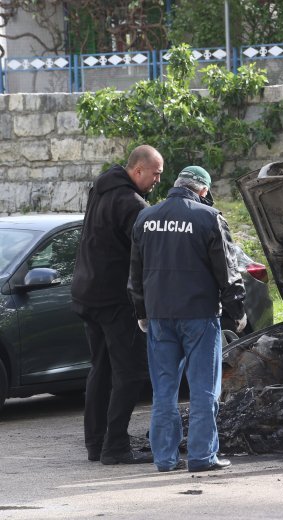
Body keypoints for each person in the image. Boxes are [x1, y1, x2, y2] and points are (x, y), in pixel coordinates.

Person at [128, 166, 247, 473]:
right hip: (199, 315)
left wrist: (142, 312)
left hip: (159, 317)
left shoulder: (146, 217)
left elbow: (136, 273)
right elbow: (227, 269)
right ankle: (202, 456)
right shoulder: (208, 218)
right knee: (204, 388)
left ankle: (165, 459)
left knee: (164, 390)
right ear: (203, 191)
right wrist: (238, 311)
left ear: (176, 185)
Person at [71, 144, 163, 465]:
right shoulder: (131, 203)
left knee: (101, 368)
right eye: (155, 174)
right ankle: (116, 448)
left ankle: (96, 444)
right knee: (131, 372)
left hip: (86, 292)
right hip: (113, 299)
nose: (157, 180)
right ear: (138, 171)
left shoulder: (101, 186)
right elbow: (148, 253)